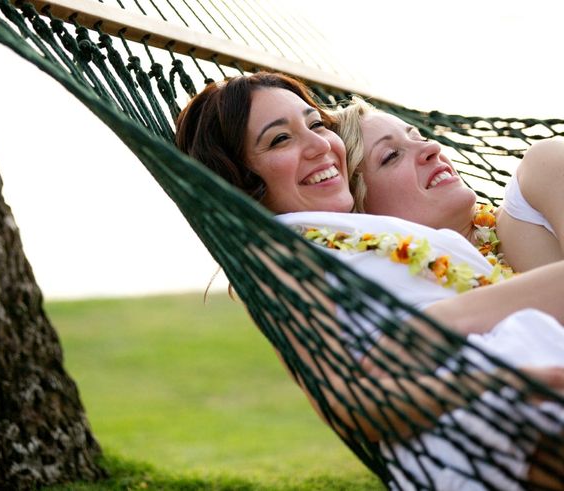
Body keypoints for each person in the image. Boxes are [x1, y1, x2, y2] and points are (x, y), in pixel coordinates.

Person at [175, 71, 564, 490]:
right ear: (241, 179)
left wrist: (441, 323)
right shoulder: (279, 256)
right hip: (491, 417)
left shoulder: (345, 234)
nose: (320, 145)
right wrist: (489, 379)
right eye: (280, 139)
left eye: (316, 124)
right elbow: (351, 404)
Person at [333, 97, 564, 273]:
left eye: (419, 137)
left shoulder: (542, 169)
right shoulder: (417, 299)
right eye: (392, 155)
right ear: (361, 207)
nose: (432, 147)